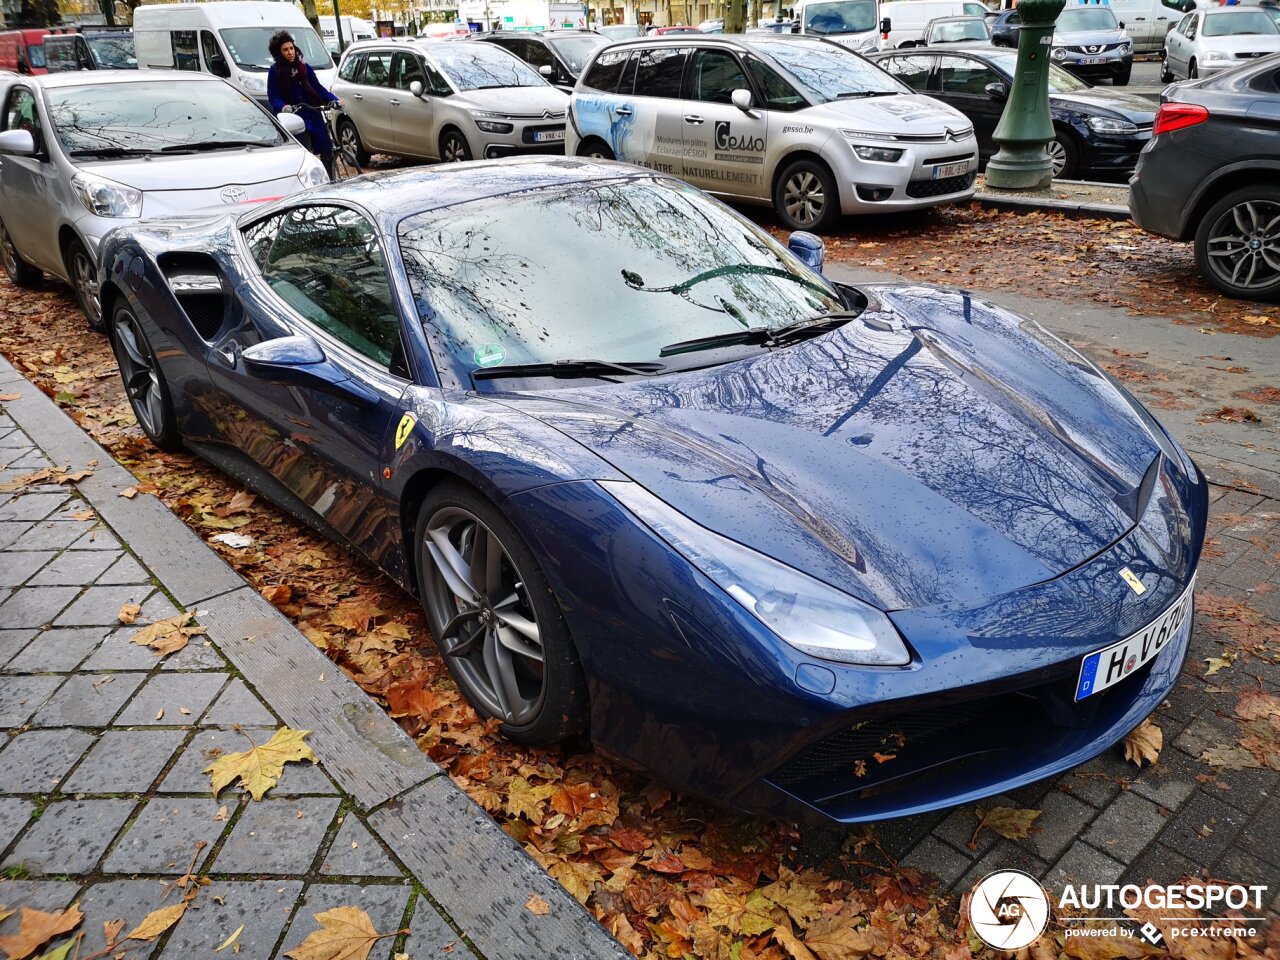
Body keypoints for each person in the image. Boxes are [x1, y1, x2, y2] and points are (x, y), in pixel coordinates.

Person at [267, 30, 341, 177]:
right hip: (293, 116)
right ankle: (308, 179)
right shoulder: (275, 71)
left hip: (311, 112)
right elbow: (274, 96)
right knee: (305, 150)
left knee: (326, 146)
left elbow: (318, 88)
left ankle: (330, 177)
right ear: (279, 52)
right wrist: (283, 106)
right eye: (285, 50)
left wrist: (333, 99)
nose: (290, 52)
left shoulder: (304, 67)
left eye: (291, 48)